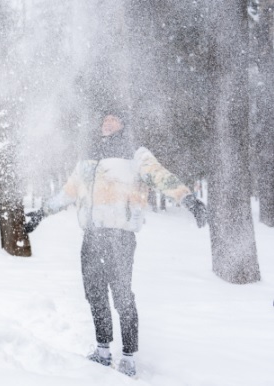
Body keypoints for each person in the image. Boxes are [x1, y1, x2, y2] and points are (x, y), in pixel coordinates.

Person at [24, 113, 207, 377]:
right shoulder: (89, 158)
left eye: (114, 119)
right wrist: (41, 214)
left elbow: (160, 176)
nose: (107, 123)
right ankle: (102, 351)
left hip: (120, 238)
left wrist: (188, 199)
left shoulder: (136, 154)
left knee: (122, 297)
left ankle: (129, 357)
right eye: (104, 119)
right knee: (94, 294)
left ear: (124, 124)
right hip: (92, 236)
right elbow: (70, 191)